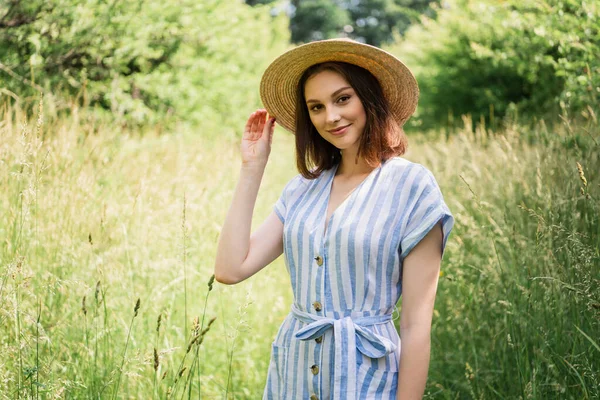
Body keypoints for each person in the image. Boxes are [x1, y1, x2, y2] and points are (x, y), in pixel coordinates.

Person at [214, 38, 454, 400]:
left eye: (343, 99)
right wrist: (252, 168)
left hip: (368, 379)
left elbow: (416, 325)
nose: (331, 117)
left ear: (368, 98)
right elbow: (230, 269)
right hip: (294, 374)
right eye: (316, 107)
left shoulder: (411, 186)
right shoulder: (302, 189)